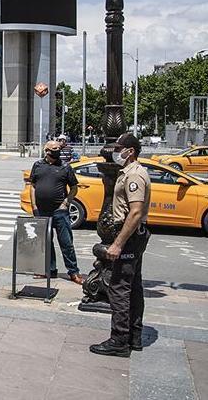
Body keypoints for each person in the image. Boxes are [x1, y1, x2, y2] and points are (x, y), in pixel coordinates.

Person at [90, 134, 151, 357]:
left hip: (129, 235)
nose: (115, 152)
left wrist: (117, 244)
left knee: (119, 288)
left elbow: (134, 212)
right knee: (133, 287)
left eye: (119, 148)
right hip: (134, 236)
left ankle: (119, 339)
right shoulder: (129, 172)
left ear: (130, 151)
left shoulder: (134, 175)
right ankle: (134, 336)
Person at [29, 140, 84, 284]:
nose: (57, 150)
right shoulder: (38, 165)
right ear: (46, 150)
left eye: (59, 148)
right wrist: (34, 206)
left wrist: (66, 203)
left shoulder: (65, 167)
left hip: (60, 212)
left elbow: (74, 187)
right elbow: (33, 186)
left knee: (66, 242)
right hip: (41, 211)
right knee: (46, 243)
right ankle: (49, 270)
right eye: (54, 148)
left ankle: (73, 271)